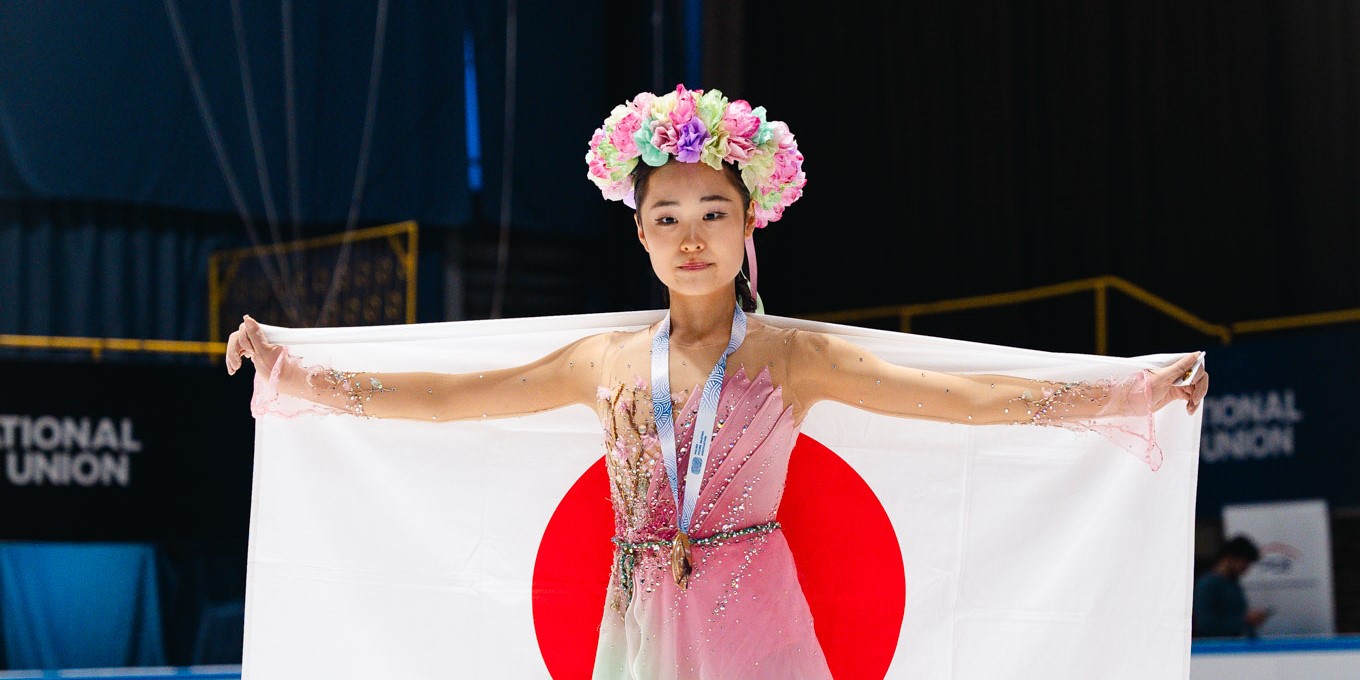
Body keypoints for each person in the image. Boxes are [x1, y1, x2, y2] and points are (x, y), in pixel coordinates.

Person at [226, 85, 1210, 679]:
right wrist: (299, 371)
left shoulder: (790, 356)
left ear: (748, 226)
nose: (689, 234)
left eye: (710, 211)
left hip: (754, 603)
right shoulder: (604, 361)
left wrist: (1131, 393)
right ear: (642, 229)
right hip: (641, 605)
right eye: (666, 215)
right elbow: (451, 396)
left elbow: (960, 399)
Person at [1193, 535, 1269, 638]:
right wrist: (1245, 620)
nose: (1246, 569)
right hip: (1217, 649)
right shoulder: (1207, 585)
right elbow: (1206, 626)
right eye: (1244, 563)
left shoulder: (1233, 583)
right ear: (1230, 558)